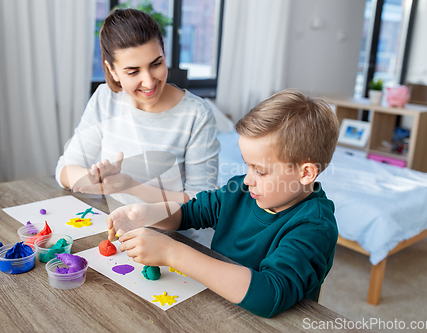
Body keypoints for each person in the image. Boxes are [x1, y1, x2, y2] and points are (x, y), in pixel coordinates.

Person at [106, 89, 340, 318]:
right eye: (247, 165)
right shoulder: (240, 189)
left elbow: (270, 294)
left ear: (306, 173)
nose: (248, 179)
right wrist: (146, 214)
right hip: (216, 307)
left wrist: (171, 253)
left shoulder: (315, 225)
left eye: (260, 171)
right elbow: (190, 213)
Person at [55, 9, 220, 245]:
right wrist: (97, 179)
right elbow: (64, 170)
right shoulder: (105, 98)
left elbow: (201, 203)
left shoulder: (196, 114)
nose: (149, 81)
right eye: (133, 71)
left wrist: (130, 186)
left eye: (156, 64)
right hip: (119, 234)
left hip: (177, 240)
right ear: (112, 70)